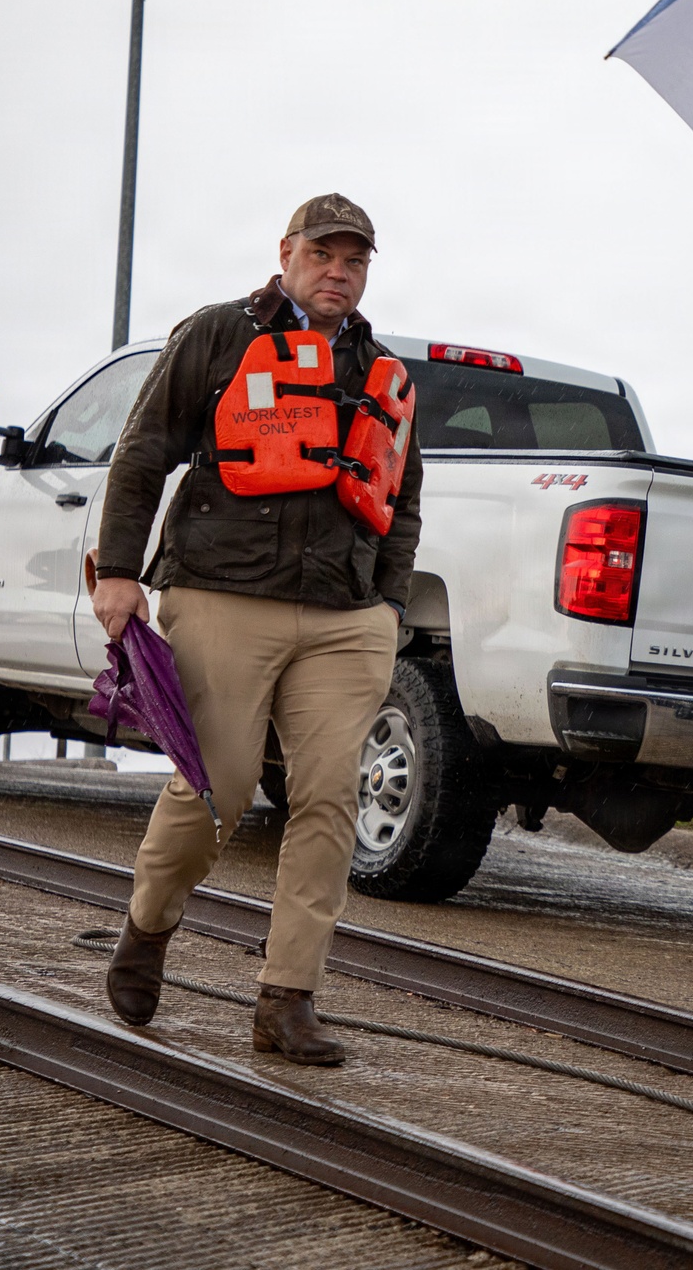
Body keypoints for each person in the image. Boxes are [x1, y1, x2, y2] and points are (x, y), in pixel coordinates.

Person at [91, 193, 422, 1065]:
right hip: (221, 593)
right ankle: (148, 927)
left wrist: (387, 605)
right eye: (324, 254)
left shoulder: (381, 370)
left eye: (355, 260)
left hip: (345, 619)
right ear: (287, 252)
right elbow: (143, 450)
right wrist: (119, 571)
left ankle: (287, 1000)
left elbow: (404, 497)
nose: (338, 271)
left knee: (328, 801)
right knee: (220, 785)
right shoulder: (217, 335)